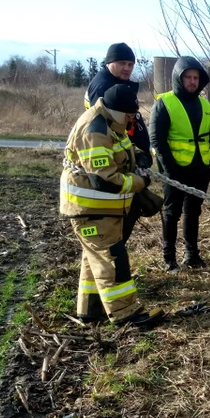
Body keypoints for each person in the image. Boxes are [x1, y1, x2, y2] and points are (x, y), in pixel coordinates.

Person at [60, 84, 165, 329]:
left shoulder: (107, 122)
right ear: (117, 111)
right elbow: (104, 180)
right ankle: (126, 314)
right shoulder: (94, 129)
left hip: (97, 210)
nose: (131, 119)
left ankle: (89, 310)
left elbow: (115, 155)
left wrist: (137, 157)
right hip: (91, 210)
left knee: (94, 258)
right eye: (128, 115)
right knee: (112, 259)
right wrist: (140, 182)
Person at [150, 56, 210, 272]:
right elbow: (157, 140)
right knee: (172, 213)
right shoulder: (164, 103)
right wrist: (169, 168)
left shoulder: (205, 105)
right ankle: (169, 258)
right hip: (174, 170)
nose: (192, 81)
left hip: (201, 169)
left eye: (196, 77)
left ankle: (192, 255)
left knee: (193, 212)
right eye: (188, 77)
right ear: (178, 78)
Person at [85, 43, 151, 243]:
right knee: (114, 230)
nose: (127, 68)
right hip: (114, 163)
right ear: (109, 63)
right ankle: (115, 264)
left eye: (131, 64)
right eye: (122, 63)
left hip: (122, 157)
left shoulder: (114, 84)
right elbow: (112, 130)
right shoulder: (105, 88)